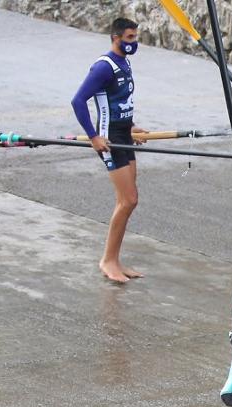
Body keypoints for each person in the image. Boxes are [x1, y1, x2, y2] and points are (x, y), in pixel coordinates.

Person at [71, 17, 148, 284]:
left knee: (128, 201)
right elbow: (78, 101)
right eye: (129, 38)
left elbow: (119, 102)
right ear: (116, 37)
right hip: (109, 139)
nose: (134, 42)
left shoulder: (125, 63)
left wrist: (132, 127)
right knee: (128, 200)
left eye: (135, 37)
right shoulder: (104, 67)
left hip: (123, 134)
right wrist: (94, 137)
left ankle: (114, 259)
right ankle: (108, 260)